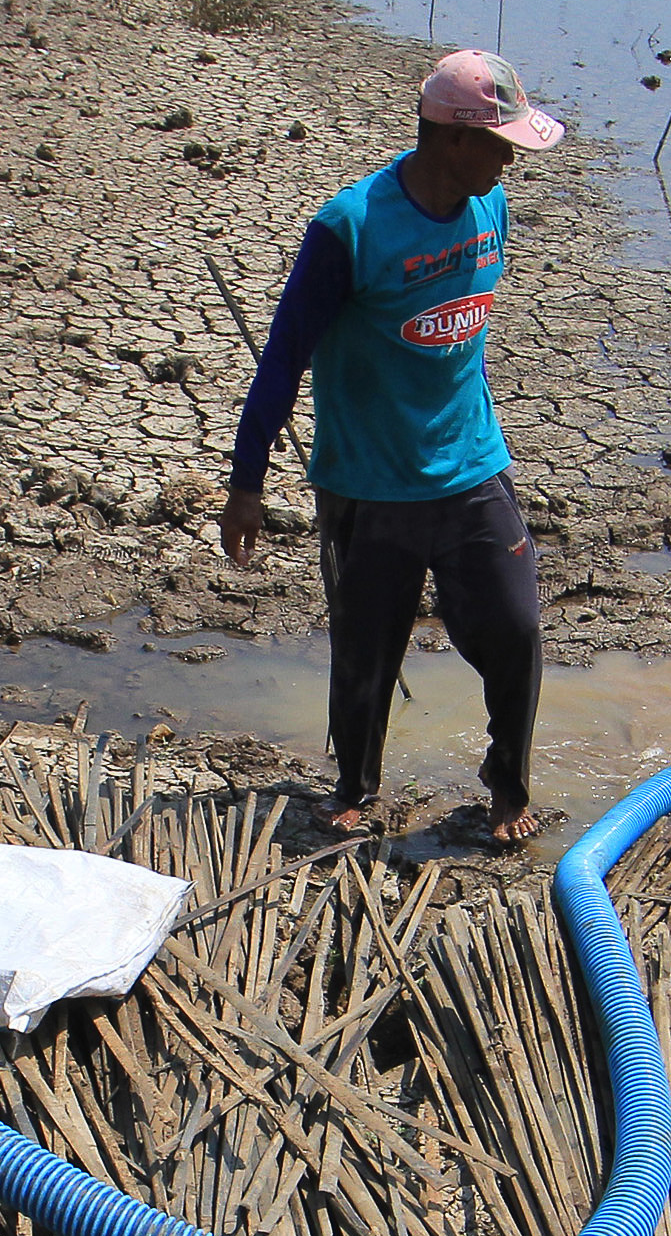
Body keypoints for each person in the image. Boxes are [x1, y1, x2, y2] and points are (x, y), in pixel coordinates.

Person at [221, 48, 563, 846]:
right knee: (366, 651)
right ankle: (354, 785)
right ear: (451, 138)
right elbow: (283, 357)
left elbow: (458, 332)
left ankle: (507, 786)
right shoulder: (351, 228)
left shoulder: (491, 207)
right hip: (368, 482)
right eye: (501, 143)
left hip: (471, 463)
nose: (511, 160)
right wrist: (247, 482)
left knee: (515, 632)